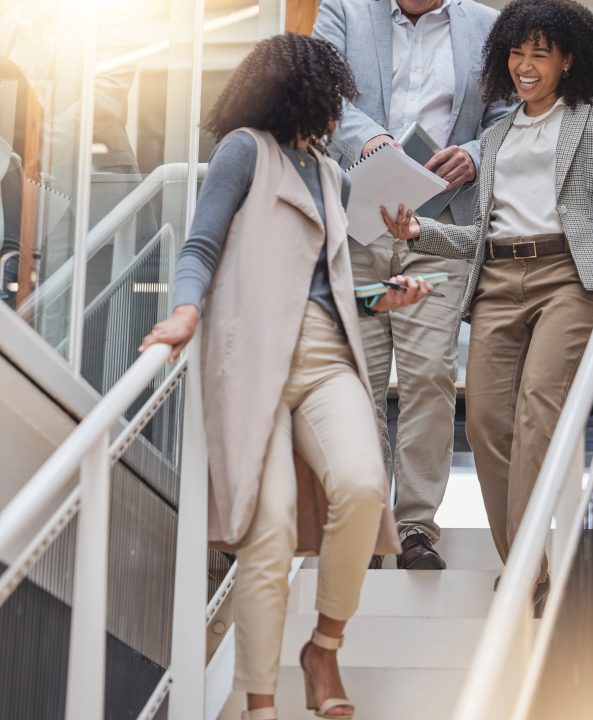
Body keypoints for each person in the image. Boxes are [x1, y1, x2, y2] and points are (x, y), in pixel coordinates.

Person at [141, 33, 437, 720]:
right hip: (253, 362)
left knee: (364, 486)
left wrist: (377, 298)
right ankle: (261, 705)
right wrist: (186, 312)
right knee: (267, 527)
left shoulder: (332, 173)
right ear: (299, 93)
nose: (338, 112)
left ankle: (323, 646)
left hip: (329, 354)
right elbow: (201, 243)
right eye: (332, 97)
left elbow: (323, 283)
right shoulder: (245, 150)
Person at [380, 0, 593, 614]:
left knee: (538, 414)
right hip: (498, 276)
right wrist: (421, 234)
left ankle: (525, 569)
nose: (526, 65)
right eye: (517, 53)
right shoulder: (494, 137)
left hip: (568, 276)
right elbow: (481, 235)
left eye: (540, 53)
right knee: (491, 423)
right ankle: (529, 560)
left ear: (569, 59)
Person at [313, 0, 511, 570]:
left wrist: (474, 154)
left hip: (438, 229)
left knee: (430, 374)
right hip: (358, 228)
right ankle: (366, 524)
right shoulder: (344, 11)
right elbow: (325, 90)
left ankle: (415, 526)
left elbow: (504, 119)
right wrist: (367, 138)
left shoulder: (486, 24)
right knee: (362, 381)